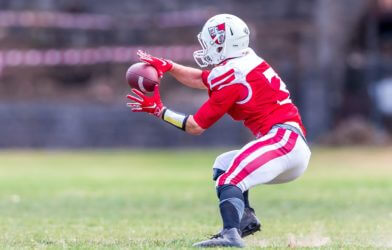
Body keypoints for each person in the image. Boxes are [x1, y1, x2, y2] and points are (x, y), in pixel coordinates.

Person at [127, 14, 311, 248]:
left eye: (211, 42)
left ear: (225, 42)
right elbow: (203, 79)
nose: (207, 48)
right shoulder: (244, 61)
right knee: (224, 163)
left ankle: (230, 235)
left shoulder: (233, 73)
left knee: (230, 178)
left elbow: (195, 126)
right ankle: (244, 220)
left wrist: (159, 111)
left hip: (282, 140)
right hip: (286, 142)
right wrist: (169, 66)